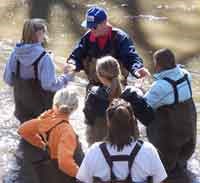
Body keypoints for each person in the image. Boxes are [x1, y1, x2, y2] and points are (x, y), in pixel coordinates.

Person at [77, 98, 167, 183]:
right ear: (132, 122)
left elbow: (83, 180)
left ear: (108, 123)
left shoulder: (95, 151)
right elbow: (159, 180)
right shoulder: (148, 150)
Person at [3, 18, 74, 123]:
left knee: (25, 135)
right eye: (44, 32)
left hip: (22, 110)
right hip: (41, 112)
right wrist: (66, 77)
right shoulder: (44, 58)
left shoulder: (15, 54)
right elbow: (49, 85)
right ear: (39, 34)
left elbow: (8, 79)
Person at [65, 6, 150, 90]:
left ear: (104, 22)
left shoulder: (120, 38)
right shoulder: (87, 38)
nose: (91, 30)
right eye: (89, 26)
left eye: (94, 27)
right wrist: (72, 64)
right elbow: (76, 57)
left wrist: (137, 69)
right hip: (94, 87)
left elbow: (131, 58)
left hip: (117, 87)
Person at [144, 48, 197, 181]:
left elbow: (144, 106)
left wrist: (138, 91)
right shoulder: (186, 75)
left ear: (158, 65)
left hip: (169, 140)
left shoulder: (160, 86)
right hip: (188, 134)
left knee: (165, 170)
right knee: (180, 164)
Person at [18, 88, 84, 183]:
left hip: (51, 164)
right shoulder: (67, 131)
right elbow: (64, 163)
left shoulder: (45, 119)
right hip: (64, 173)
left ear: (54, 104)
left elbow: (23, 130)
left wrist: (41, 144)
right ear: (75, 108)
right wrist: (83, 176)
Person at [84, 56, 154, 145]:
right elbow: (149, 118)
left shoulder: (94, 96)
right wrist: (140, 91)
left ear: (99, 75)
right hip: (129, 146)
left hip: (102, 146)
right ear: (119, 72)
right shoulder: (133, 95)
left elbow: (88, 120)